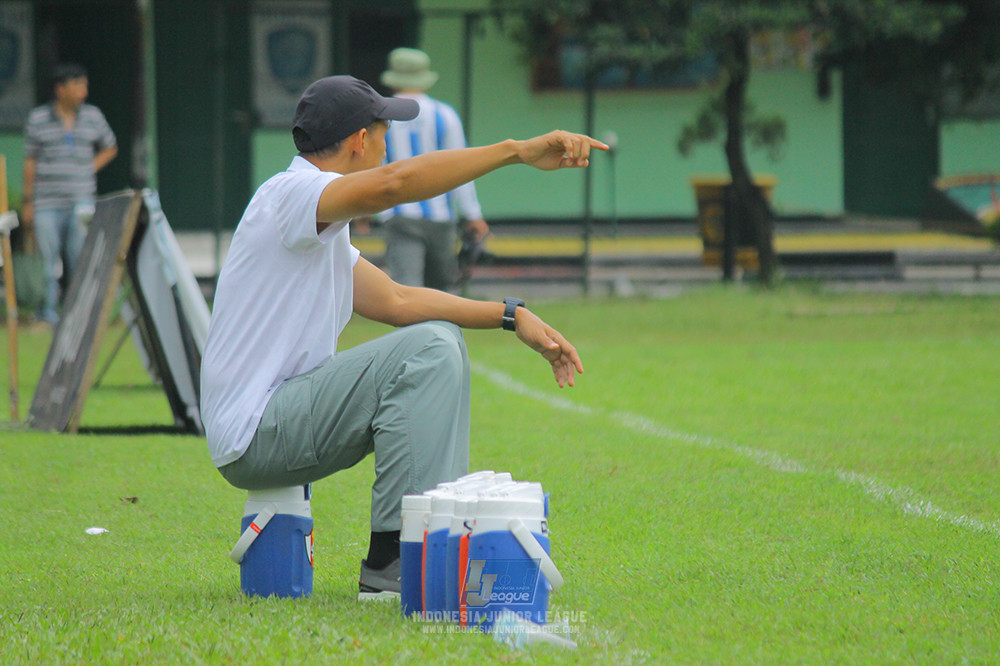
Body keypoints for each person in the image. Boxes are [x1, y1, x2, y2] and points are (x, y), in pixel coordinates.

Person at [200, 75, 606, 600]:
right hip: (258, 430)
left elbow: (396, 302)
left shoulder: (311, 221)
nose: (390, 142)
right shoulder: (293, 195)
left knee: (433, 339)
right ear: (359, 142)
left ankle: (414, 551)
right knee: (433, 347)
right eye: (385, 129)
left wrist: (511, 315)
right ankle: (396, 560)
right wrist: (516, 152)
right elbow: (394, 184)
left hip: (266, 428)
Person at [377, 48, 488, 290]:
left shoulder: (381, 117)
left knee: (405, 289)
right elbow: (462, 168)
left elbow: (374, 166)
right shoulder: (444, 115)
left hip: (399, 213)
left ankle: (411, 329)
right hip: (441, 216)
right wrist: (473, 214)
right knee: (443, 291)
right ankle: (442, 329)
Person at [22, 62, 118, 325]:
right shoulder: (38, 119)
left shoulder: (93, 116)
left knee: (81, 256)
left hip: (81, 199)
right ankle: (47, 314)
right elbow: (30, 162)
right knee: (47, 260)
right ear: (60, 89)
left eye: (84, 85)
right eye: (77, 85)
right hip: (46, 201)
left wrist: (89, 167)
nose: (83, 91)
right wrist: (28, 201)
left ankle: (78, 313)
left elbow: (110, 147)